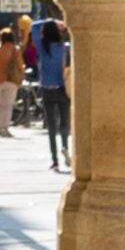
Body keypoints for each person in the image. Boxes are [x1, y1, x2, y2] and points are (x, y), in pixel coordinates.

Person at [36, 16, 73, 169]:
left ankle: (55, 160)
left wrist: (48, 21)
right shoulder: (64, 48)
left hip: (47, 89)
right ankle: (65, 146)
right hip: (62, 88)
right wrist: (61, 23)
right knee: (64, 123)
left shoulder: (42, 47)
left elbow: (33, 26)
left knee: (51, 126)